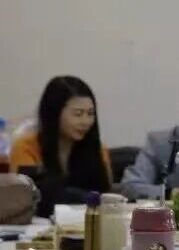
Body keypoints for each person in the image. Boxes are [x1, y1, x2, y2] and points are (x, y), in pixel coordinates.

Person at [10, 76, 112, 215]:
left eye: (90, 113)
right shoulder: (26, 147)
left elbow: (105, 196)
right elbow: (26, 199)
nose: (86, 121)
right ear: (54, 113)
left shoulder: (98, 149)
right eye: (78, 114)